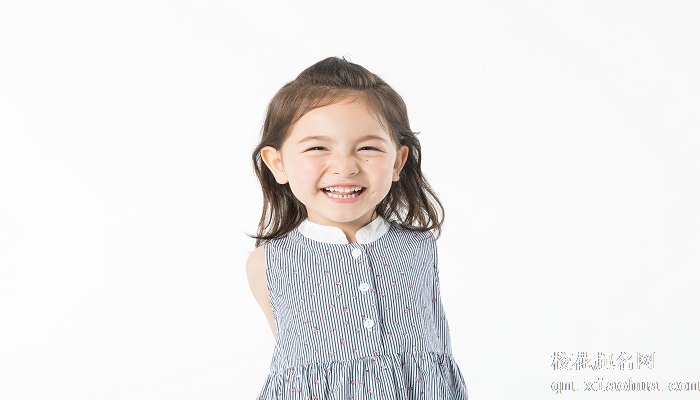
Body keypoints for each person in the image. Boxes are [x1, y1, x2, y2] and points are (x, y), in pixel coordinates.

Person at [246, 56, 469, 399]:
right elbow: (294, 373)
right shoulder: (268, 263)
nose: (345, 167)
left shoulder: (420, 247)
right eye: (317, 148)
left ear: (397, 161)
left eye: (367, 148)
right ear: (278, 163)